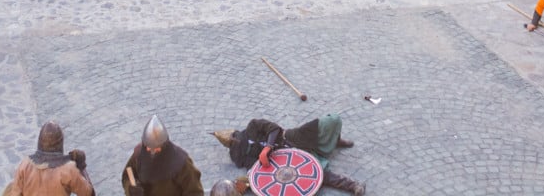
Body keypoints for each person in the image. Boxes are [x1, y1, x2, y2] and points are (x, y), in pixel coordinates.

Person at [212, 115, 364, 196]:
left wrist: (268, 147)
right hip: (281, 160)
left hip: (290, 137)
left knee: (329, 121)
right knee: (316, 173)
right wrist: (249, 180)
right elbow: (257, 168)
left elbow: (274, 129)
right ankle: (353, 185)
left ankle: (335, 140)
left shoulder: (253, 126)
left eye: (235, 139)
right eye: (232, 144)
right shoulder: (240, 156)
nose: (236, 143)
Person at [3, 121, 95, 196]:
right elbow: (89, 194)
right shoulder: (68, 170)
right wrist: (81, 166)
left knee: (11, 188)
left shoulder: (25, 165)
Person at [122, 115, 203, 196]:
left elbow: (195, 192)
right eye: (149, 149)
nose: (152, 152)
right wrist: (131, 189)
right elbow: (126, 176)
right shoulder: (138, 155)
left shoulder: (182, 163)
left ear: (164, 145)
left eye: (157, 149)